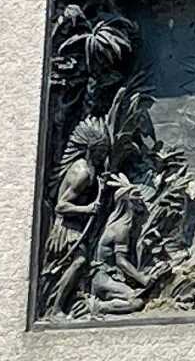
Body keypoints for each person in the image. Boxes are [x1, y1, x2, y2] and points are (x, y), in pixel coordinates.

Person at [41, 117, 110, 315]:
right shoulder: (82, 173)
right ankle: (55, 308)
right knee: (78, 262)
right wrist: (87, 209)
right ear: (90, 149)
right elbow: (61, 206)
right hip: (66, 227)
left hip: (76, 225)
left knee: (79, 264)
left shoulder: (90, 169)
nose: (103, 156)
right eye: (100, 151)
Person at [89, 178, 169, 315]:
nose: (141, 199)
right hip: (103, 279)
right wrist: (143, 279)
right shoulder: (122, 228)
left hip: (107, 277)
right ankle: (96, 307)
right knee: (136, 302)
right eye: (136, 196)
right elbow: (121, 261)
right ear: (127, 201)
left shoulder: (117, 222)